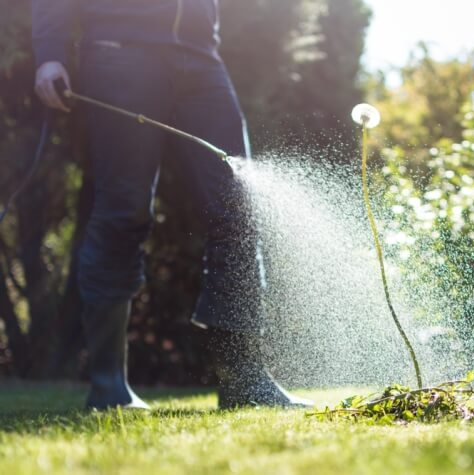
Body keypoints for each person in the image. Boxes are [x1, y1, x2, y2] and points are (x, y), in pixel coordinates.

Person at [31, 0, 311, 410]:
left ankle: (243, 381)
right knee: (124, 211)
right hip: (119, 51)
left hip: (201, 58)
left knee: (239, 204)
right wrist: (50, 53)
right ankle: (109, 385)